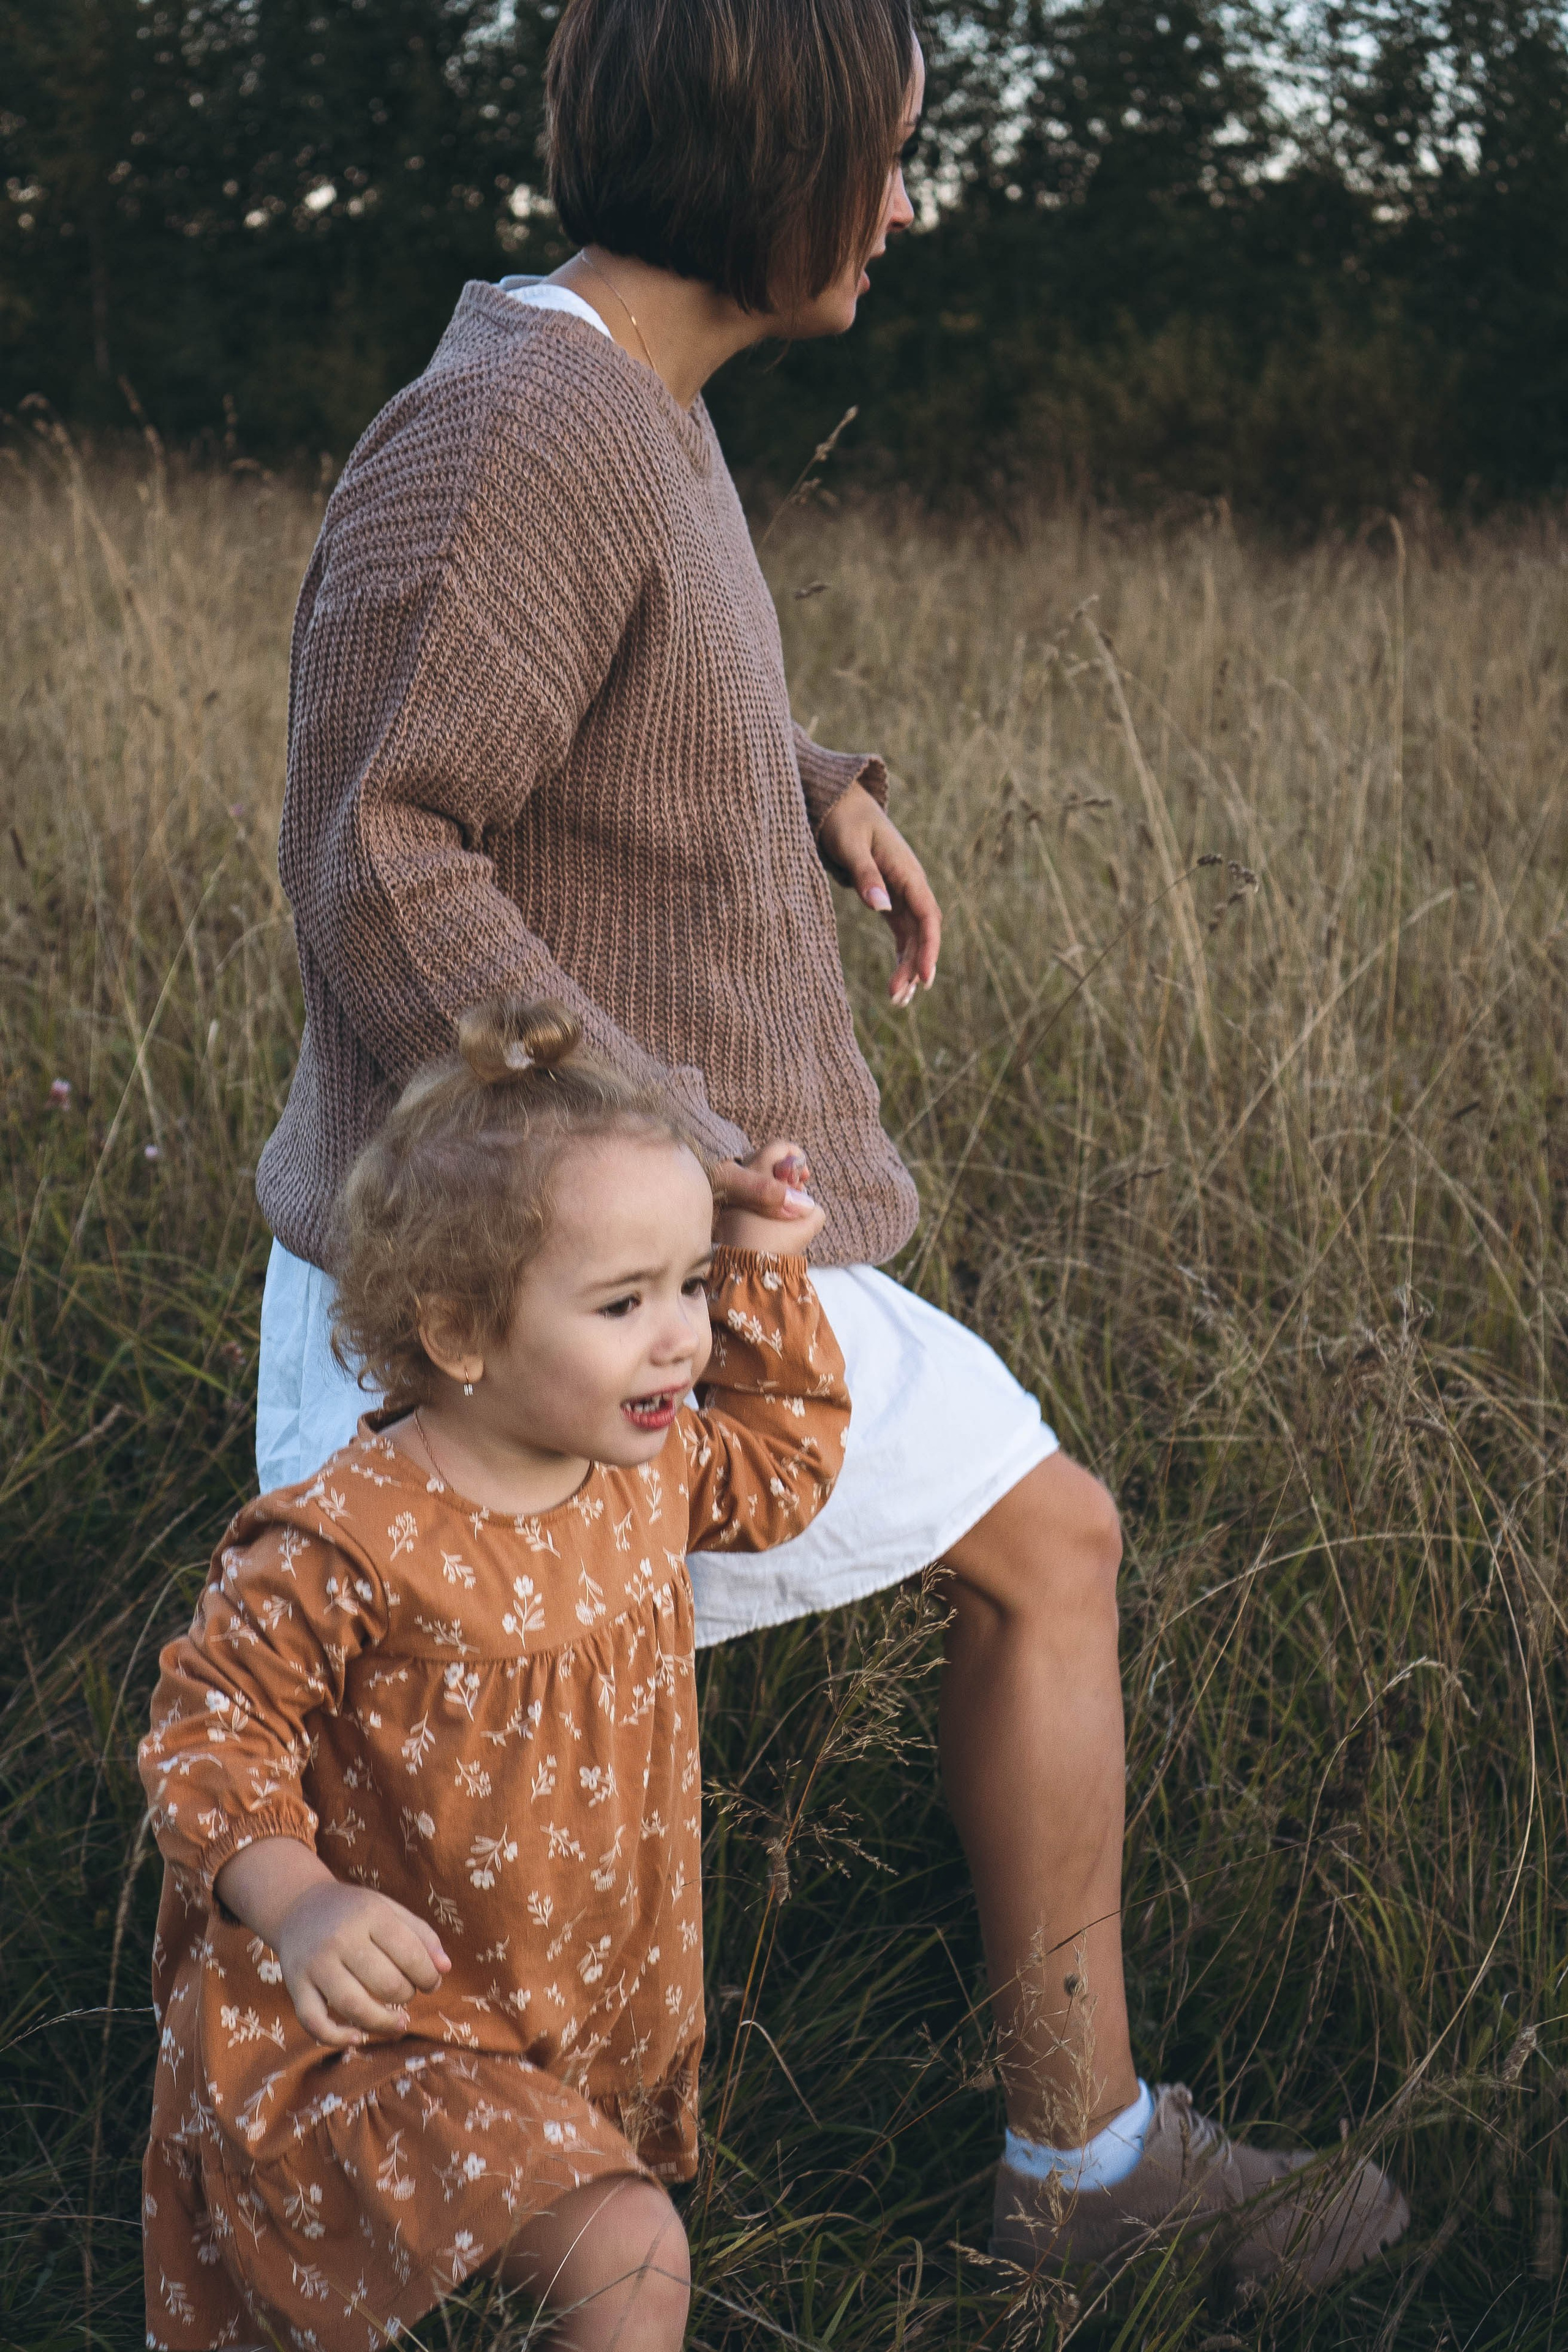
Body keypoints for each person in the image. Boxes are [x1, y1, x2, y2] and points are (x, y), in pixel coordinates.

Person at [247, 0, 1409, 2291]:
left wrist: (815, 786)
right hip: (518, 1290)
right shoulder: (509, 434)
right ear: (766, 160)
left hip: (644, 1245)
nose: (908, 200)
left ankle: (1068, 2174)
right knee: (476, 1801)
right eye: (884, 153)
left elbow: (629, 696)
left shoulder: (630, 404)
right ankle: (421, 2230)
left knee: (1039, 1535)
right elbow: (380, 852)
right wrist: (664, 1166)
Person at [140, 994, 850, 2349]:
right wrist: (295, 1906)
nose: (681, 1339)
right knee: (631, 2258)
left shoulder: (638, 1474)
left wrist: (762, 1262)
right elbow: (208, 1731)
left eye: (688, 1286)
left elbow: (781, 1468)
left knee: (574, 2238)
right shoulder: (353, 1536)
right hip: (382, 2009)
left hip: (571, 1986)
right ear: (459, 1335)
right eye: (623, 1301)